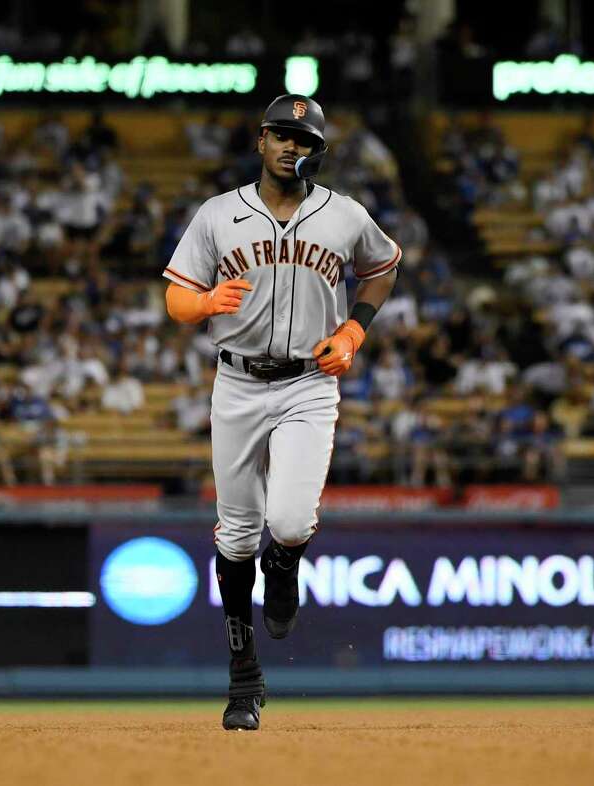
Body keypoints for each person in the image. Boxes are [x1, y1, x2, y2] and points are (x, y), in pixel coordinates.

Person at [162, 94, 399, 731]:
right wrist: (206, 300)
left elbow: (383, 268)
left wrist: (354, 330)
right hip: (237, 382)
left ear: (316, 152)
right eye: (284, 136)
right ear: (262, 141)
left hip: (309, 382)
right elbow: (175, 298)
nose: (294, 147)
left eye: (306, 140)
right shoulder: (218, 215)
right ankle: (245, 678)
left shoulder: (343, 215)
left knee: (290, 521)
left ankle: (286, 561)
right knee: (236, 534)